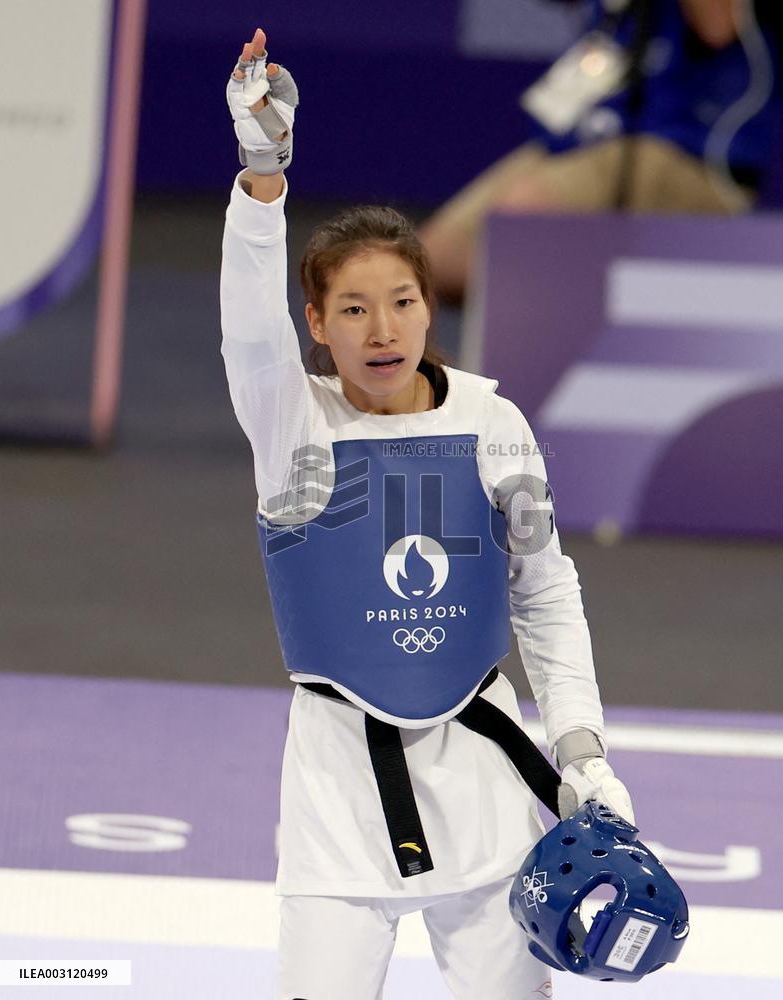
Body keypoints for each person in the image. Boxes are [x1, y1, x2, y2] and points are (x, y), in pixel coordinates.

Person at [222, 28, 633, 1000]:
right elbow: (247, 327)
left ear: (428, 308)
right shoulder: (293, 426)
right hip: (336, 804)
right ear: (315, 325)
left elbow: (545, 591)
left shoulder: (493, 423)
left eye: (401, 301)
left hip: (487, 791)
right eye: (353, 309)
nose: (383, 328)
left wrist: (583, 748)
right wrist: (263, 173)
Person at [420, 0, 783, 303]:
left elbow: (717, 26)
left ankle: (580, 331)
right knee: (425, 264)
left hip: (691, 154)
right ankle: (581, 312)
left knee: (520, 223)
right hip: (594, 131)